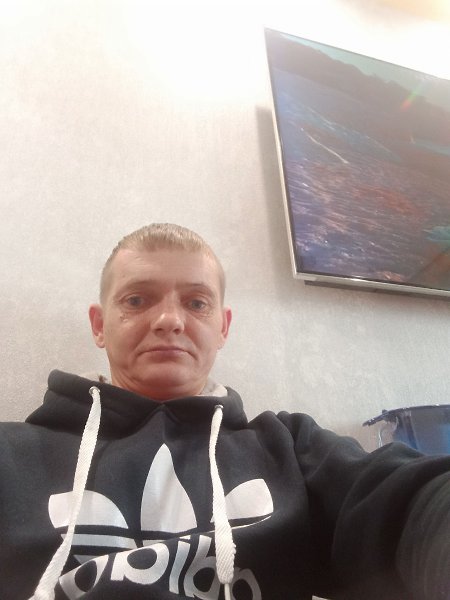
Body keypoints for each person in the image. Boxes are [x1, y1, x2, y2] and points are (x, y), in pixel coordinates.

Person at [0, 223, 449, 600]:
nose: (169, 320)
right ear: (100, 325)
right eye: (137, 300)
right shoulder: (11, 456)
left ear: (222, 327)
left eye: (196, 303)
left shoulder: (290, 449)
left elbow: (409, 503)